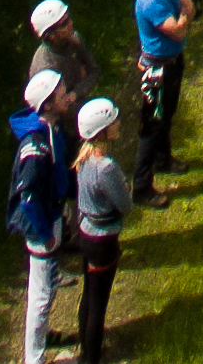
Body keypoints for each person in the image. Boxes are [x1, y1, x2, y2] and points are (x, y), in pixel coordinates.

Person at [7, 71, 71, 364]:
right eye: (61, 93)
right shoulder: (35, 145)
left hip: (52, 216)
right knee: (41, 296)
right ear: (46, 104)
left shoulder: (51, 130)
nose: (67, 95)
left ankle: (42, 338)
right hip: (41, 226)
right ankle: (34, 358)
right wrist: (45, 233)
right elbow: (28, 197)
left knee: (49, 285)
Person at [129, 0, 196, 203]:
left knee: (166, 115)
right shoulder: (150, 0)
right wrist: (185, 16)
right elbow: (178, 31)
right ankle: (142, 188)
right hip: (157, 69)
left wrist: (184, 14)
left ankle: (163, 160)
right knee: (152, 127)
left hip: (172, 62)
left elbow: (188, 3)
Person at [69, 95, 131, 362]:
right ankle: (91, 357)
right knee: (98, 303)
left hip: (85, 232)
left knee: (88, 295)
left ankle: (86, 347)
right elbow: (125, 204)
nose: (118, 122)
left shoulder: (83, 158)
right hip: (103, 241)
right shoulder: (106, 167)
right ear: (103, 132)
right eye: (113, 120)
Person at [30, 0, 104, 128]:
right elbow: (53, 110)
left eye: (68, 18)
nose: (71, 23)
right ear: (50, 36)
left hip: (82, 109)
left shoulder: (74, 40)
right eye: (64, 23)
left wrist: (77, 92)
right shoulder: (44, 68)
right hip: (60, 126)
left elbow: (94, 70)